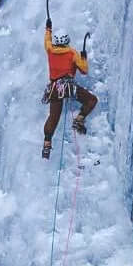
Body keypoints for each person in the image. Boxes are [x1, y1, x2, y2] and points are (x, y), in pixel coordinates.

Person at [41, 16, 97, 159]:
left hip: (53, 89)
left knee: (53, 117)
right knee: (91, 100)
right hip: (67, 87)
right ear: (67, 41)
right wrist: (83, 58)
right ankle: (79, 119)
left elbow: (47, 41)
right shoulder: (72, 53)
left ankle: (47, 143)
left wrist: (48, 28)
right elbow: (84, 70)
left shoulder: (50, 50)